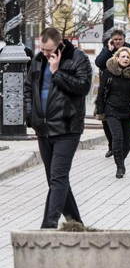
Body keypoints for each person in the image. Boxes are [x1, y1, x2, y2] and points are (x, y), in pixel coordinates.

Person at [24, 28, 92, 228]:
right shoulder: (37, 60)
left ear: (59, 43)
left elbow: (83, 87)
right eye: (43, 48)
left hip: (67, 127)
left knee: (58, 177)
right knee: (54, 180)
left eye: (49, 49)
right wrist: (31, 116)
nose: (45, 53)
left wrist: (57, 72)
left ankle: (49, 225)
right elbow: (28, 89)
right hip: (43, 128)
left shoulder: (77, 58)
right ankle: (75, 222)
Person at [96, 47, 130, 179]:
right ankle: (119, 166)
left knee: (127, 143)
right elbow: (101, 91)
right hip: (111, 109)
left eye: (128, 57)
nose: (125, 59)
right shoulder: (108, 72)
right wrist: (100, 109)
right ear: (117, 58)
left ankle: (121, 159)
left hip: (128, 111)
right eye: (123, 56)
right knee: (117, 138)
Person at [95, 29, 130, 159]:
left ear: (124, 39)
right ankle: (112, 145)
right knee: (105, 121)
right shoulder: (108, 51)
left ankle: (118, 149)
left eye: (120, 39)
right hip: (108, 90)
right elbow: (98, 63)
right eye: (115, 39)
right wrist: (108, 50)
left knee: (123, 132)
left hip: (126, 91)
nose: (118, 42)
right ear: (111, 40)